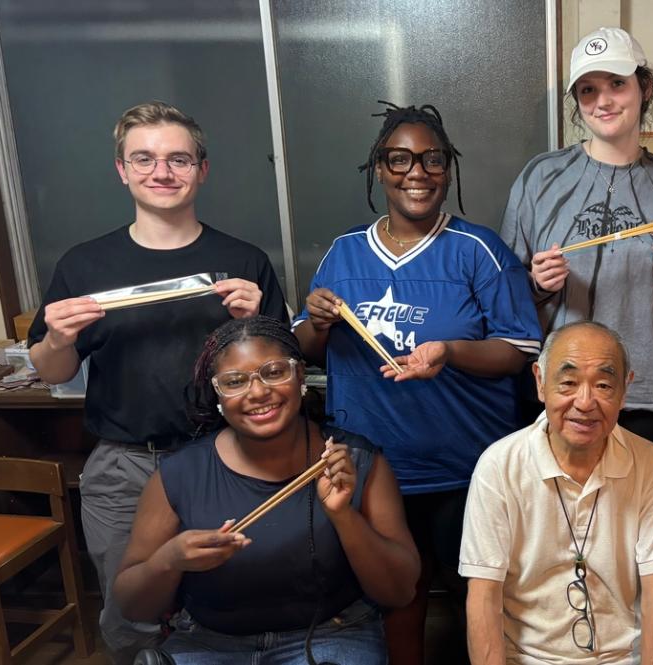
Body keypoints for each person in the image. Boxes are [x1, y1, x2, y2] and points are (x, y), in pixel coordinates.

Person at [26, 101, 288, 663]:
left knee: (233, 600)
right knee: (131, 614)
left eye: (178, 159)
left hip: (228, 458)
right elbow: (55, 372)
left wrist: (257, 322)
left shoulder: (242, 260)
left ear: (203, 169)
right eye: (143, 158)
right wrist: (56, 339)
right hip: (124, 465)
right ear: (121, 169)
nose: (161, 172)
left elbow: (280, 369)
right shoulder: (85, 264)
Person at [293, 101, 542, 665]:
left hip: (465, 466)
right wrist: (316, 321)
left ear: (448, 168)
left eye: (432, 159)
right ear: (378, 169)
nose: (417, 172)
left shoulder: (478, 250)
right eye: (399, 159)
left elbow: (519, 349)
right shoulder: (344, 252)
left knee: (477, 595)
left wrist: (450, 352)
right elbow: (302, 348)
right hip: (371, 467)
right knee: (394, 596)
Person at [113, 316, 419, 664]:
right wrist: (169, 561)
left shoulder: (356, 460)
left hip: (331, 632)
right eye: (235, 381)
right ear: (217, 394)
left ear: (300, 376)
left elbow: (399, 592)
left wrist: (343, 515)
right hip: (209, 640)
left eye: (274, 372)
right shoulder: (180, 474)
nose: (258, 392)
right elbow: (133, 606)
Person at [500, 26, 653, 450]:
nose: (603, 101)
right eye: (588, 90)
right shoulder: (540, 176)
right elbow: (505, 295)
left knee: (636, 513)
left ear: (643, 87)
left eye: (616, 84)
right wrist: (537, 284)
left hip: (647, 387)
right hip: (561, 390)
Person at [461, 321, 653, 665]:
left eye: (604, 385)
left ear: (625, 390)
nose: (585, 402)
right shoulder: (499, 466)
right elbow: (483, 597)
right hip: (525, 657)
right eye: (568, 382)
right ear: (540, 382)